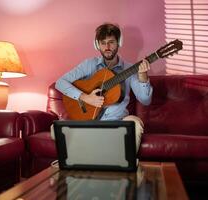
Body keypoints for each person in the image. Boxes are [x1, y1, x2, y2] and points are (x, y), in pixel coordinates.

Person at [54, 23, 153, 152]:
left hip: (119, 122)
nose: (107, 47)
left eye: (111, 42)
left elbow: (145, 100)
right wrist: (85, 98)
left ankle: (122, 167)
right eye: (103, 43)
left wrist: (143, 76)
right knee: (55, 128)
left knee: (135, 123)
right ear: (97, 45)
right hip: (89, 122)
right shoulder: (89, 64)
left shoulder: (130, 69)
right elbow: (60, 82)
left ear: (119, 43)